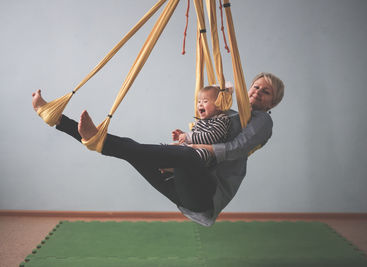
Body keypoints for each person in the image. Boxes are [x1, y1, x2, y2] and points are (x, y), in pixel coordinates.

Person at [32, 72, 284, 226]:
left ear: (274, 101)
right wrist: (222, 92)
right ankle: (60, 121)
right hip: (182, 191)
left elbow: (236, 148)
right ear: (247, 88)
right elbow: (215, 102)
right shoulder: (232, 115)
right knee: (133, 150)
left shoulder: (263, 120)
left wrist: (200, 147)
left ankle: (88, 133)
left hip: (206, 194)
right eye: (255, 86)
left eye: (266, 91)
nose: (258, 91)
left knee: (177, 154)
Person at [172, 85, 231, 167]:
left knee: (203, 153)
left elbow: (211, 137)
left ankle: (175, 167)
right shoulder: (200, 121)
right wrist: (182, 136)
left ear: (218, 105)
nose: (200, 104)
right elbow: (194, 135)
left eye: (205, 101)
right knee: (175, 146)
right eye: (199, 101)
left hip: (207, 152)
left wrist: (188, 136)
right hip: (192, 148)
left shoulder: (221, 120)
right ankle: (169, 161)